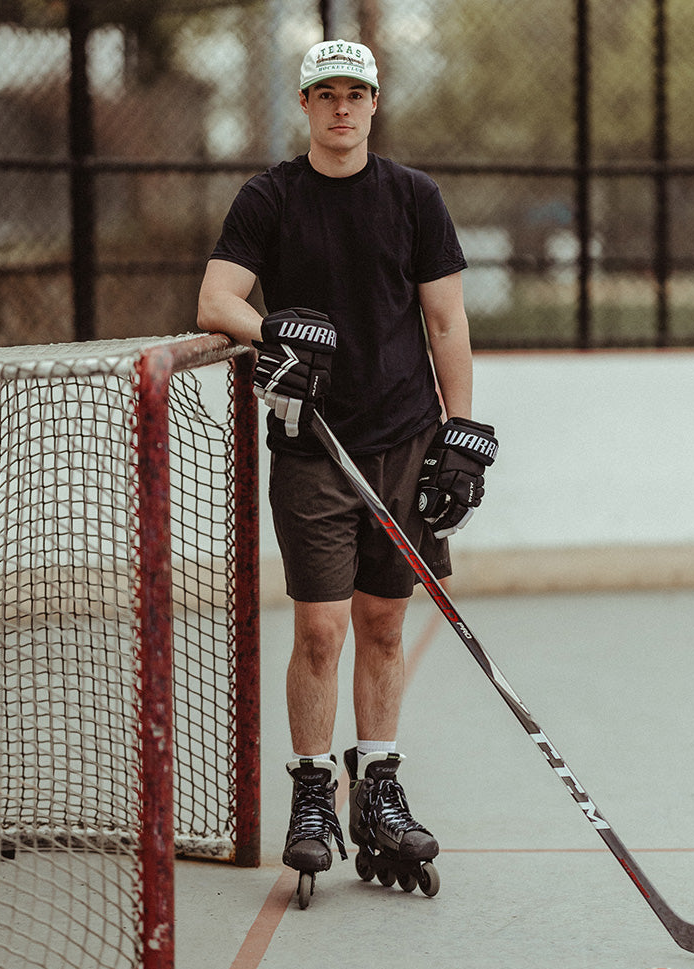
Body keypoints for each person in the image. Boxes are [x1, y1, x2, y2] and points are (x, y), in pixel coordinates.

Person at [196, 39, 497, 897]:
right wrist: (274, 329)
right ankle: (313, 793)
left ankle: (383, 791)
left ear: (373, 104)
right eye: (324, 94)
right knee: (321, 628)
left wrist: (462, 432)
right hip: (312, 445)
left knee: (386, 624)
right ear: (305, 106)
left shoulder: (413, 198)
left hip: (403, 439)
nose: (340, 108)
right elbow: (217, 297)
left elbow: (445, 325)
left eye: (354, 93)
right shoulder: (271, 197)